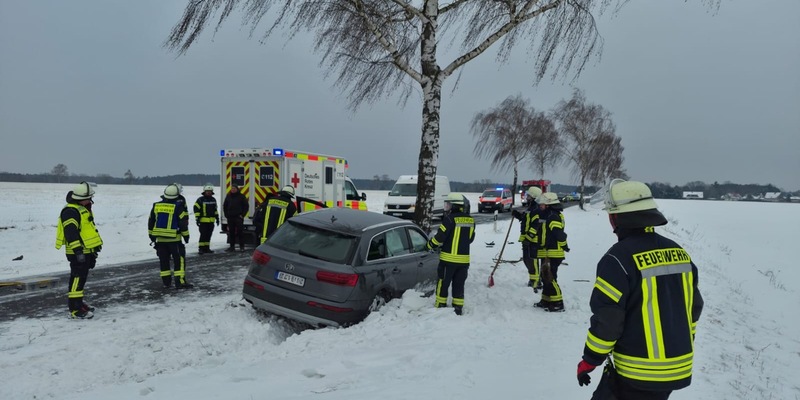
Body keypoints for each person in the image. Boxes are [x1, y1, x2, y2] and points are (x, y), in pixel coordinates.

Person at [576, 179, 703, 400]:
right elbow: (693, 309)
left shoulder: (617, 259)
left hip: (638, 372)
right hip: (678, 367)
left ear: (615, 218)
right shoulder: (679, 253)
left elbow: (608, 321)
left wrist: (590, 360)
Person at [55, 181, 103, 319]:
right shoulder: (70, 211)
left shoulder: (81, 208)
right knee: (77, 279)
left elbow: (86, 231)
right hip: (77, 252)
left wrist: (92, 251)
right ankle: (75, 309)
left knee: (81, 279)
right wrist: (78, 252)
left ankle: (79, 303)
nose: (90, 200)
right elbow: (71, 233)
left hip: (85, 251)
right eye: (89, 198)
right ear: (82, 198)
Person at [426, 193, 476, 315]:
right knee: (459, 285)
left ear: (454, 206)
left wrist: (429, 245)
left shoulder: (449, 219)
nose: (446, 206)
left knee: (443, 284)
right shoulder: (471, 220)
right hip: (463, 262)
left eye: (448, 204)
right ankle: (458, 308)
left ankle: (440, 305)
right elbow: (470, 239)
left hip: (448, 260)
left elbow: (439, 238)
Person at [148, 183, 192, 289]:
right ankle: (180, 282)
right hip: (174, 240)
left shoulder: (156, 206)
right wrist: (186, 236)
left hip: (160, 240)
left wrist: (151, 236)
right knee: (179, 260)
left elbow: (151, 221)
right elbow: (183, 223)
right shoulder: (178, 207)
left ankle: (166, 282)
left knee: (164, 261)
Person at [533, 192, 568, 312]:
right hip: (546, 252)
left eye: (542, 204)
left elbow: (559, 235)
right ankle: (546, 300)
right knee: (545, 277)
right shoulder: (547, 215)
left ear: (549, 204)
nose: (540, 206)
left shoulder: (553, 216)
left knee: (550, 277)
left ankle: (558, 303)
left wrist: (565, 246)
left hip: (553, 252)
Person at [511, 186, 543, 291]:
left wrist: (528, 238)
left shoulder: (537, 209)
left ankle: (536, 282)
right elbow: (526, 219)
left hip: (532, 241)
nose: (527, 197)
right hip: (527, 240)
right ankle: (532, 279)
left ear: (533, 197)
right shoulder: (531, 208)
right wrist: (518, 215)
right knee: (527, 260)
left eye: (528, 195)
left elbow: (535, 226)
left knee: (532, 261)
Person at [223, 184, 249, 252]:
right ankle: (232, 247)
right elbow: (225, 206)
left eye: (234, 188)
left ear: (237, 189)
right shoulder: (228, 196)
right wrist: (226, 214)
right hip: (230, 217)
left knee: (240, 232)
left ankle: (242, 247)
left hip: (238, 217)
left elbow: (246, 206)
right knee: (231, 233)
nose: (233, 190)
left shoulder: (241, 196)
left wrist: (242, 215)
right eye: (232, 188)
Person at [193, 184, 219, 253]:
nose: (208, 192)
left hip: (211, 221)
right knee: (203, 235)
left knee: (209, 235)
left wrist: (217, 218)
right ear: (204, 191)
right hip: (203, 221)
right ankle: (201, 248)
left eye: (210, 191)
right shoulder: (200, 200)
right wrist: (197, 218)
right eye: (207, 191)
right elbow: (196, 209)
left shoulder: (213, 199)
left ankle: (207, 248)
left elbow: (215, 210)